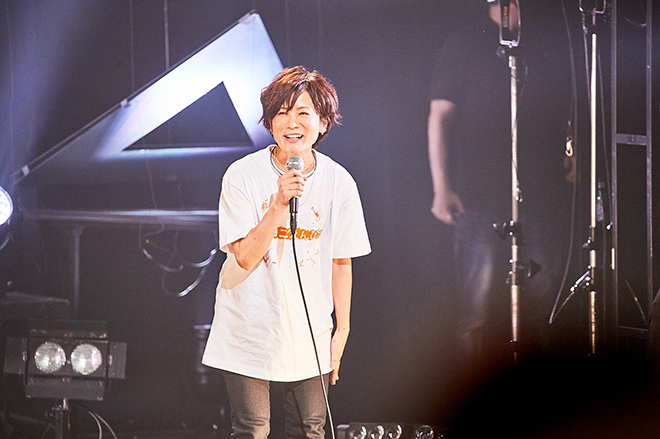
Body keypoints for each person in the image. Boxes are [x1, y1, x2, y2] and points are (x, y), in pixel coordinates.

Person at [202, 66, 371, 439]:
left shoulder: (339, 182)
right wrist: (278, 203)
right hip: (248, 324)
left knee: (310, 430)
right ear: (269, 122)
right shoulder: (241, 175)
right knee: (252, 429)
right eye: (281, 112)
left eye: (303, 112)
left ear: (323, 123)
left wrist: (341, 330)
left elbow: (341, 261)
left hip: (310, 330)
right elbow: (245, 257)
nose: (291, 123)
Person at [428, 0, 573, 369]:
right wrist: (441, 188)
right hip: (479, 195)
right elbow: (439, 117)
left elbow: (569, 103)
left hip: (542, 191)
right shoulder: (465, 43)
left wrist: (572, 149)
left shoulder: (546, 41)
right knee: (476, 311)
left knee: (545, 309)